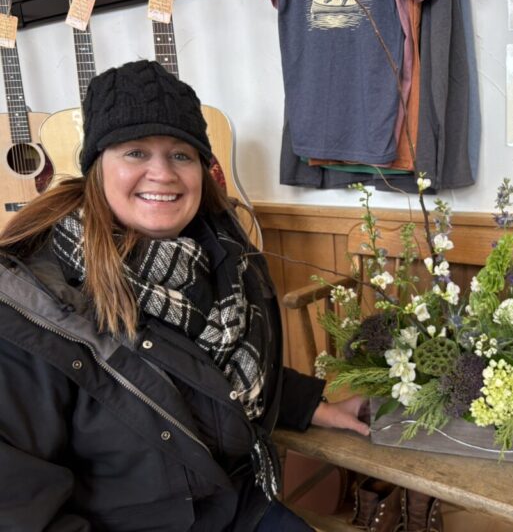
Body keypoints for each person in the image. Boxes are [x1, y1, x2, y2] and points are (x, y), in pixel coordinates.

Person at [0, 60, 369, 531]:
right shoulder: (33, 305)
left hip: (238, 506)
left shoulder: (224, 257)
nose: (163, 173)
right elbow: (14, 502)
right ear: (97, 168)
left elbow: (205, 374)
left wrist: (311, 404)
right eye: (135, 152)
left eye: (181, 155)